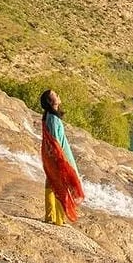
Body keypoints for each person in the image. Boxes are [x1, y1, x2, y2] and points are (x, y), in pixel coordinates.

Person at [39, 89, 84, 225]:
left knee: (51, 183)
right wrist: (62, 160)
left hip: (50, 156)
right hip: (58, 156)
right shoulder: (52, 119)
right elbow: (55, 142)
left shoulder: (49, 116)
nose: (58, 96)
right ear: (50, 102)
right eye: (55, 95)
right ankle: (58, 219)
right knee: (61, 185)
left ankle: (50, 216)